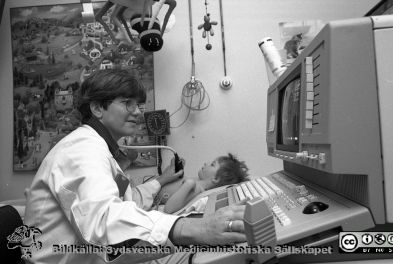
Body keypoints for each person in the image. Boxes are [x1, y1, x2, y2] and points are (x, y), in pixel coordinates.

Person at [23, 69, 247, 264]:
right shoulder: (81, 149)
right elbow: (103, 220)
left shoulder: (99, 148)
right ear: (98, 108)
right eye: (127, 103)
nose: (138, 112)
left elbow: (128, 201)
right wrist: (193, 229)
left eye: (138, 104)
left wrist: (162, 180)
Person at [163, 153, 249, 214]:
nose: (206, 163)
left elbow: (168, 209)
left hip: (153, 195)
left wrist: (188, 184)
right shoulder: (197, 181)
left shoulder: (195, 187)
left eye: (212, 164)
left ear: (215, 179)